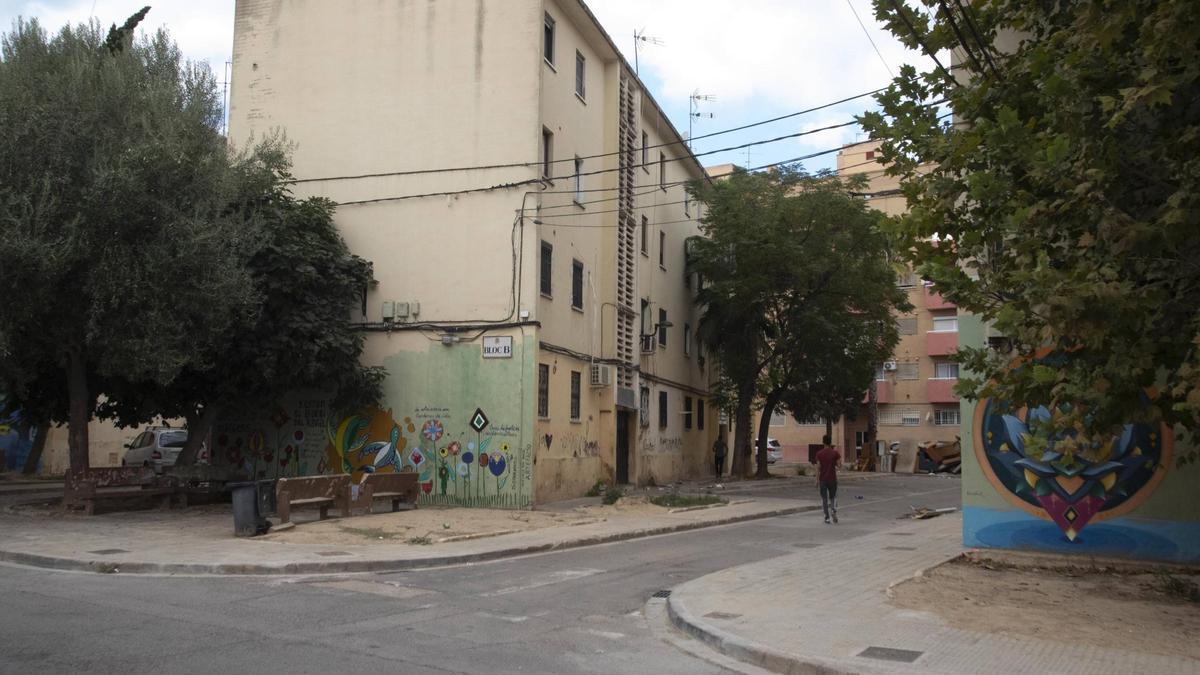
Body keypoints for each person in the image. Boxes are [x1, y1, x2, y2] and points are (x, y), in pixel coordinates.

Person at [813, 434, 841, 524]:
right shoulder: (835, 453)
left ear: (823, 442)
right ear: (830, 442)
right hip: (832, 478)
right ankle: (833, 510)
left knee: (824, 499)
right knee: (833, 497)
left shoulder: (819, 454)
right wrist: (835, 466)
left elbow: (818, 468)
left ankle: (827, 517)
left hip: (823, 480)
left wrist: (816, 480)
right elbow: (839, 465)